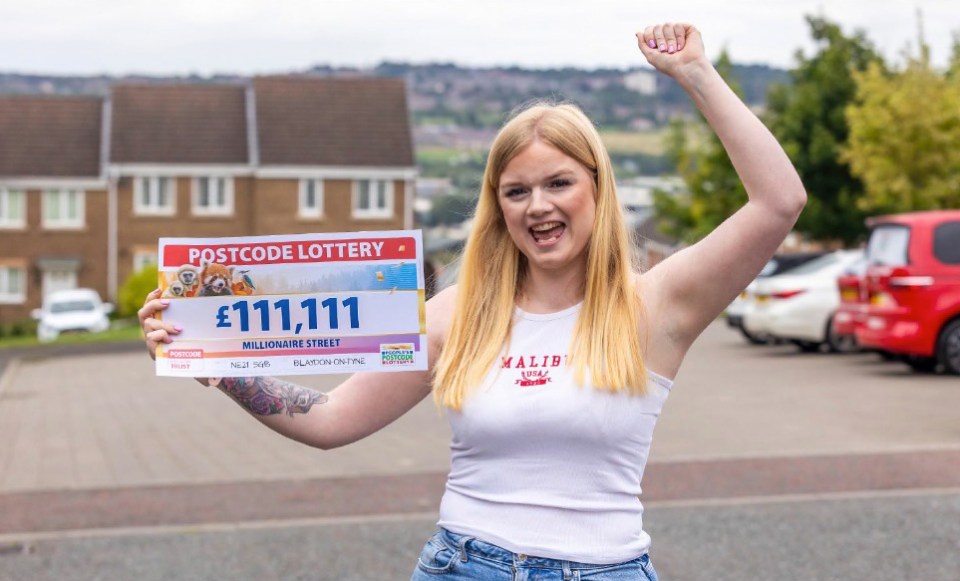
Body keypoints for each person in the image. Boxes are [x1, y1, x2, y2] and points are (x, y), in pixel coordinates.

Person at [139, 23, 806, 581]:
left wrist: (696, 73)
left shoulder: (657, 305)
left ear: (596, 190)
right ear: (498, 207)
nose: (538, 205)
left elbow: (779, 201)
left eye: (558, 183)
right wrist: (220, 364)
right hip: (464, 564)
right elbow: (332, 417)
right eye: (516, 191)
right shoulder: (456, 313)